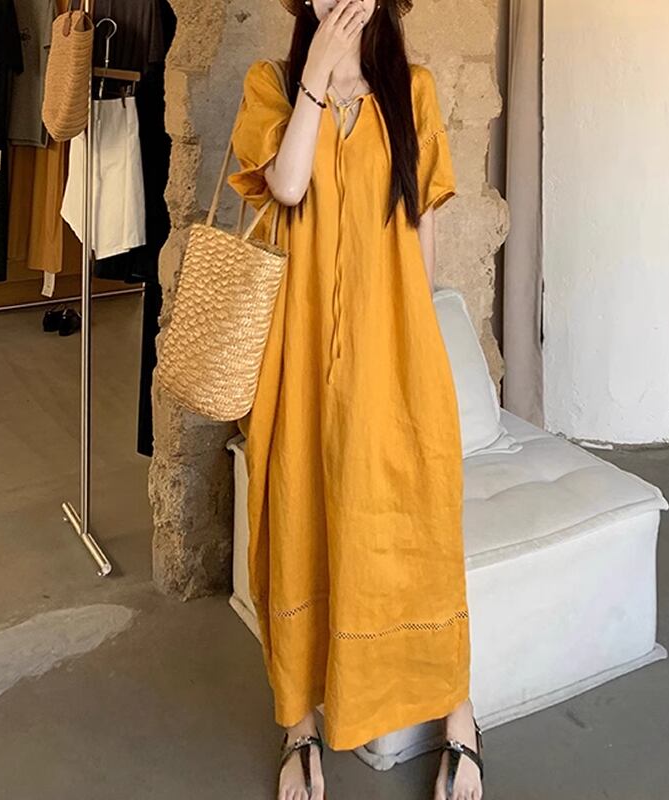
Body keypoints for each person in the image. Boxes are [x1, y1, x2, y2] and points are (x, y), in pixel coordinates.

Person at [228, 1, 484, 798]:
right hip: (299, 353)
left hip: (394, 350)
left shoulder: (413, 91)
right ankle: (299, 726)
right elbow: (288, 185)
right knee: (299, 516)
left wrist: (420, 353)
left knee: (415, 523)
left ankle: (459, 715)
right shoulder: (271, 84)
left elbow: (423, 236)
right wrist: (316, 72)